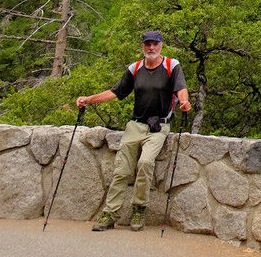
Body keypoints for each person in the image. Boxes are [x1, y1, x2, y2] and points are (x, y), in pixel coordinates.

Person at [76, 30, 192, 231]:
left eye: (155, 44)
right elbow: (116, 92)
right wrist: (89, 99)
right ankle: (110, 213)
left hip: (159, 126)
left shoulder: (171, 66)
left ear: (161, 46)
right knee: (122, 170)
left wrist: (184, 101)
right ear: (143, 46)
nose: (151, 48)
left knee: (145, 163)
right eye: (148, 44)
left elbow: (180, 87)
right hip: (136, 125)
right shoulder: (135, 68)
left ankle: (139, 209)